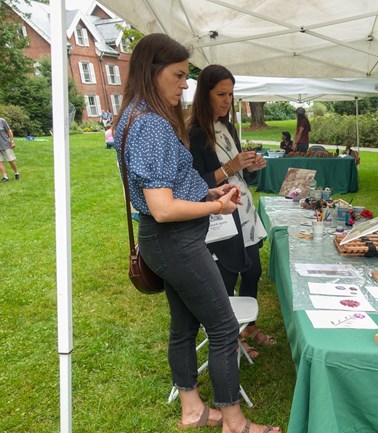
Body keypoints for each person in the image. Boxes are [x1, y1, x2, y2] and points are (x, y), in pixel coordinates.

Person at [114, 34, 280, 433]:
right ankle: (235, 422)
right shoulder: (151, 124)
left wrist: (207, 189)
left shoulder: (135, 116)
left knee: (184, 325)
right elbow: (163, 206)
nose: (184, 84)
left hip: (165, 240)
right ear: (151, 72)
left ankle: (192, 408)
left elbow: (169, 187)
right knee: (223, 327)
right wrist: (216, 205)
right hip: (176, 240)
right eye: (178, 75)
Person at [188, 65, 275, 359]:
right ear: (205, 94)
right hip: (220, 217)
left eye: (231, 94)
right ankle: (230, 333)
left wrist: (250, 168)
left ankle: (248, 326)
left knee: (254, 270)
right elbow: (197, 183)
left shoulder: (227, 127)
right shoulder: (195, 133)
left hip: (244, 212)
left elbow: (239, 177)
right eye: (221, 94)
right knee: (226, 276)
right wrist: (232, 167)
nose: (227, 100)